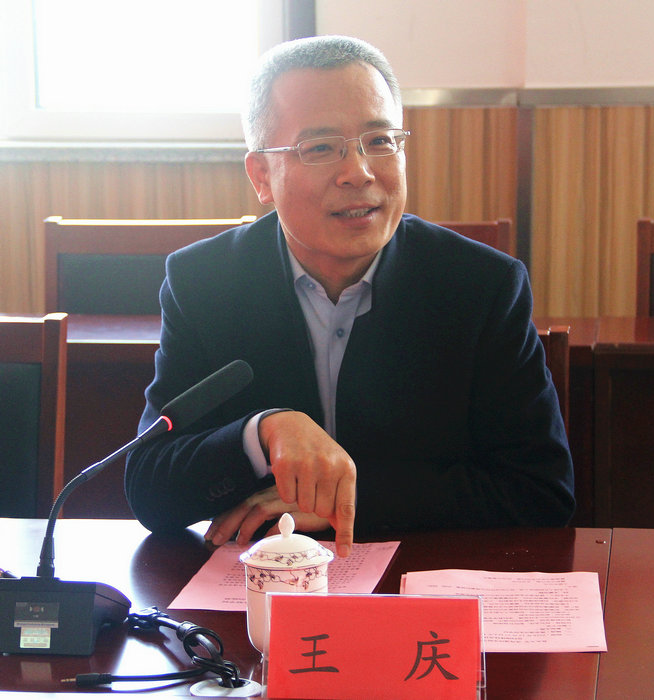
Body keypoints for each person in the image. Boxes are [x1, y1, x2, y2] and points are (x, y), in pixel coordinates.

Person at [125, 35, 575, 558]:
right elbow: (149, 487)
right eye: (320, 148)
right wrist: (261, 433)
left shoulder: (480, 287)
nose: (358, 172)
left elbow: (541, 492)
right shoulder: (205, 282)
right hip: (266, 591)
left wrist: (349, 501)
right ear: (262, 176)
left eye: (380, 141)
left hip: (417, 581)